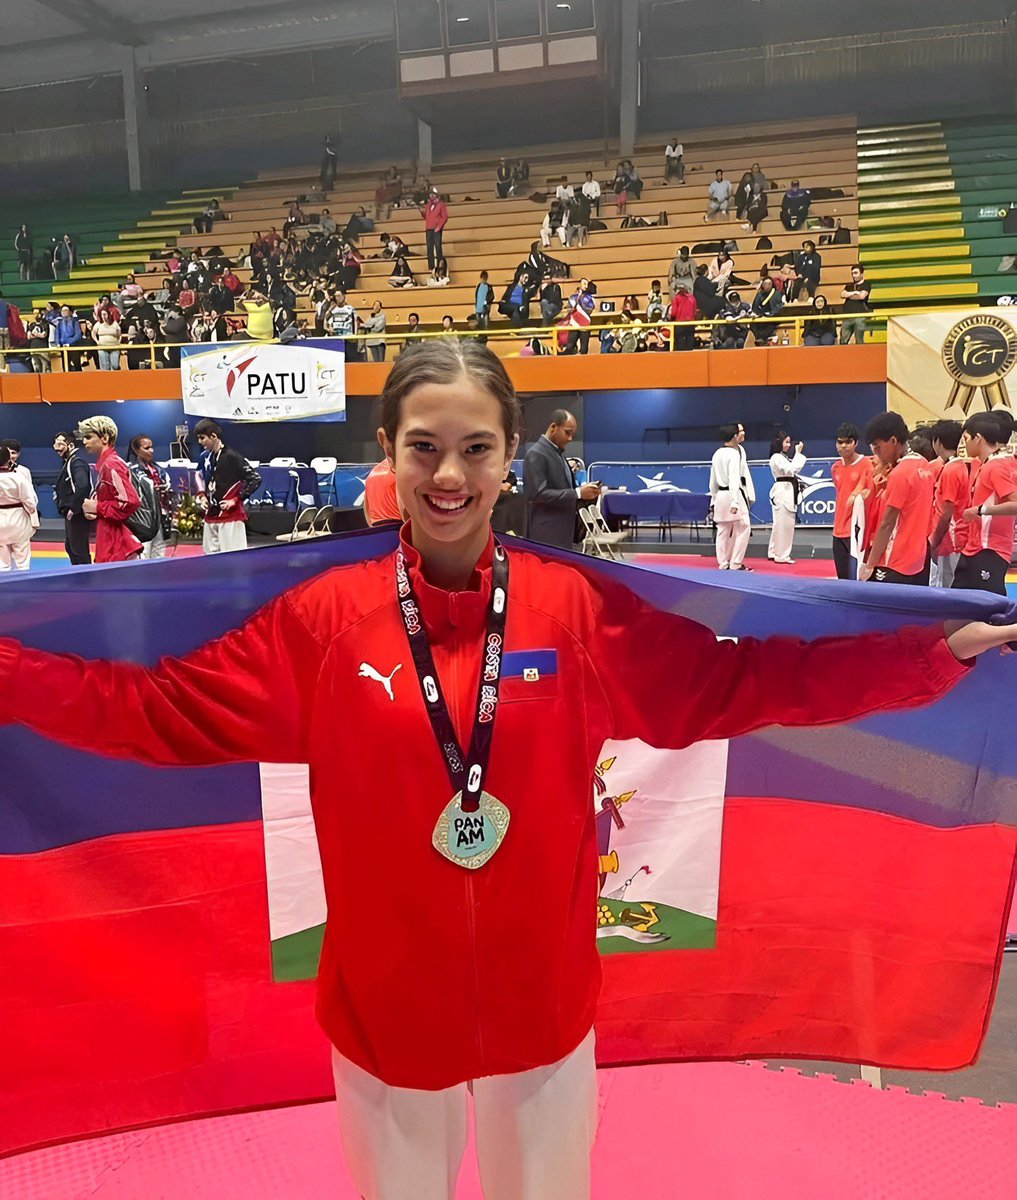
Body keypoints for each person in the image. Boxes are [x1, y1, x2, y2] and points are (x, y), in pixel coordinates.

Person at [1, 338, 1014, 1200]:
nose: (449, 475)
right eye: (424, 447)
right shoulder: (324, 622)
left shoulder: (573, 612)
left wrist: (929, 654)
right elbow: (151, 710)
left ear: (509, 452)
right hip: (386, 1011)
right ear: (387, 453)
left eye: (475, 448)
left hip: (542, 1007)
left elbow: (748, 682)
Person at [859, 412, 935, 585]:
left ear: (893, 441)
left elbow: (887, 523)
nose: (876, 454)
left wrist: (870, 565)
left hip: (894, 561)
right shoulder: (924, 465)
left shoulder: (900, 473)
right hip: (918, 561)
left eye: (878, 447)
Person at [954, 411, 1017, 596]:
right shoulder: (997, 463)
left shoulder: (995, 466)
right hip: (975, 548)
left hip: (988, 549)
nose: (965, 444)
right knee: (957, 604)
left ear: (978, 438)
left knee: (988, 606)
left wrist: (980, 510)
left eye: (967, 438)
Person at [523, 409, 601, 549]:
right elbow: (538, 494)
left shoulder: (557, 453)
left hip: (562, 530)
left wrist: (585, 492)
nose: (570, 438)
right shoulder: (536, 453)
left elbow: (563, 488)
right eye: (567, 432)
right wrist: (578, 493)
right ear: (553, 427)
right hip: (546, 533)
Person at [78, 416, 143, 564]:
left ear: (105, 438)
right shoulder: (107, 464)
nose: (84, 442)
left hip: (116, 542)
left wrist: (98, 507)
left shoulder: (111, 464)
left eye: (88, 437)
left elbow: (130, 502)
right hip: (109, 536)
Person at [194, 418, 261, 555]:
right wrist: (202, 496)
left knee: (233, 559)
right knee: (210, 558)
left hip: (231, 517)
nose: (199, 442)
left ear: (213, 436)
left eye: (202, 438)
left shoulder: (232, 456)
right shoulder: (204, 457)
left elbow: (255, 479)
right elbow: (198, 476)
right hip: (211, 515)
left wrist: (236, 499)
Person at [928, 419, 969, 590]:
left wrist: (934, 541)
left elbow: (947, 512)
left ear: (937, 441)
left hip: (950, 539)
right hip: (951, 537)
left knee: (945, 587)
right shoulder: (957, 466)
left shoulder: (951, 470)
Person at [830, 423, 873, 580]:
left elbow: (869, 493)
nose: (844, 446)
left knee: (856, 578)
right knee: (842, 578)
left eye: (848, 442)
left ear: (856, 443)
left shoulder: (867, 464)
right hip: (838, 529)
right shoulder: (835, 468)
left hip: (856, 530)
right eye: (840, 442)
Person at [710, 423, 755, 570]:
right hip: (733, 494)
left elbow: (712, 480)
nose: (743, 433)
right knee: (744, 526)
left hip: (720, 495)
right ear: (734, 436)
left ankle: (723, 563)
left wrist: (713, 499)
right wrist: (735, 501)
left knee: (723, 529)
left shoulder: (717, 454)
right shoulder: (734, 454)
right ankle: (735, 562)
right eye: (740, 432)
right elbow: (734, 478)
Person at [52, 431, 93, 566]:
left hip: (76, 514)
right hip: (72, 513)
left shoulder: (76, 463)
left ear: (70, 445)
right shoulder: (68, 463)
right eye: (55, 444)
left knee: (78, 549)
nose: (56, 448)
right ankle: (79, 575)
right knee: (71, 547)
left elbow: (83, 486)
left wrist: (73, 508)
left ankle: (86, 576)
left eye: (60, 444)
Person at [129, 435, 173, 560]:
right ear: (136, 450)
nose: (151, 450)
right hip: (143, 520)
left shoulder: (159, 470)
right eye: (146, 448)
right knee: (143, 553)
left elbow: (168, 485)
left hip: (160, 517)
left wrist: (165, 488)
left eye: (151, 447)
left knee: (159, 552)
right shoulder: (131, 470)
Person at [767, 434, 807, 564]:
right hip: (784, 491)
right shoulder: (777, 457)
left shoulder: (780, 457)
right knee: (785, 524)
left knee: (780, 523)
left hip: (785, 490)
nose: (789, 445)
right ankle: (782, 555)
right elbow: (792, 469)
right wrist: (798, 454)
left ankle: (774, 551)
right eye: (786, 442)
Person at [0, 443, 37, 573]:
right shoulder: (18, 478)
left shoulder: (20, 475)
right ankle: (23, 580)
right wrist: (32, 513)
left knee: (2, 563)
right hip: (18, 520)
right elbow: (30, 502)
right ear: (8, 459)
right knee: (22, 561)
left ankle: (3, 582)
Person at [363, 458, 402, 525]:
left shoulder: (372, 473)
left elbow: (366, 505)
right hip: (398, 523)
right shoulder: (400, 469)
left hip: (377, 525)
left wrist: (372, 526)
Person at [840, 265, 871, 344]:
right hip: (847, 315)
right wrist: (855, 292)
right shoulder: (849, 285)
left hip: (860, 316)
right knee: (843, 341)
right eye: (852, 273)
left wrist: (849, 295)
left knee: (859, 340)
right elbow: (842, 295)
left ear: (862, 273)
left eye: (856, 273)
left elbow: (861, 296)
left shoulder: (866, 284)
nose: (854, 275)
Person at [564, 279, 595, 355]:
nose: (585, 286)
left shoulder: (589, 298)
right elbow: (569, 309)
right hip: (574, 323)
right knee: (570, 346)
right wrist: (571, 307)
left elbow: (590, 309)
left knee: (584, 348)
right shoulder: (573, 297)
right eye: (584, 284)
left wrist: (580, 301)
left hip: (585, 323)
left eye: (587, 284)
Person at [422, 188, 448, 271]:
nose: (431, 196)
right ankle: (431, 266)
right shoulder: (428, 204)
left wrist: (439, 227)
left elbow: (444, 217)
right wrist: (422, 212)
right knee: (429, 248)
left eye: (433, 194)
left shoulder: (441, 204)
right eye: (430, 194)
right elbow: (426, 216)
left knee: (438, 247)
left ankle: (440, 266)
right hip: (428, 228)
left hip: (436, 228)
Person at [669, 284, 697, 351]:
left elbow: (673, 313)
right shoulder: (692, 298)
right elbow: (695, 312)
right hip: (691, 323)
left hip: (680, 323)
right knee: (690, 341)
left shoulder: (677, 298)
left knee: (680, 343)